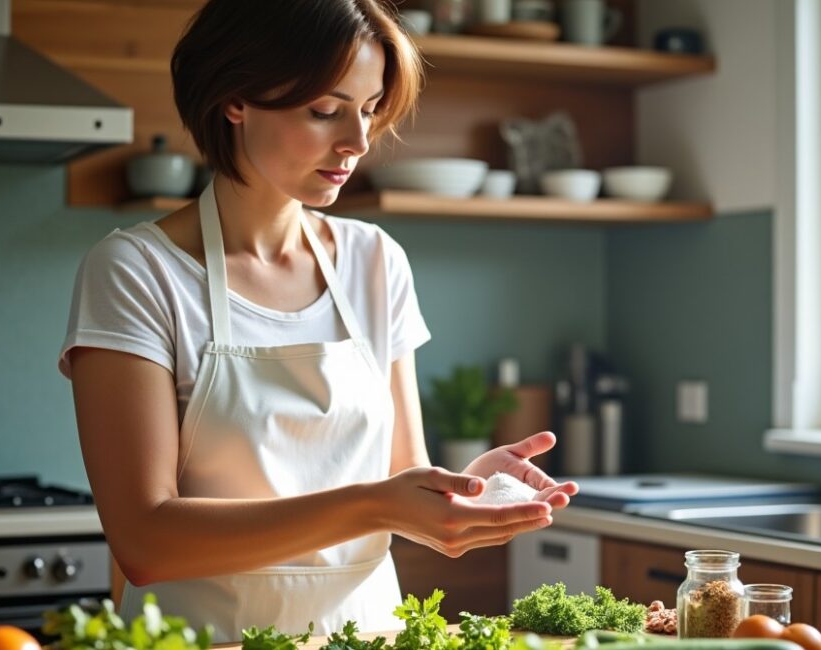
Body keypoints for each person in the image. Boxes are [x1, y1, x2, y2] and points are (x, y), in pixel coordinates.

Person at [58, 0, 578, 641]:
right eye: (325, 110)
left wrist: (463, 491)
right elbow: (145, 542)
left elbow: (399, 477)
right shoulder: (137, 272)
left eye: (368, 110)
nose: (358, 143)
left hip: (367, 635)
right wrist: (374, 505)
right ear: (235, 99)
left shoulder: (375, 261)